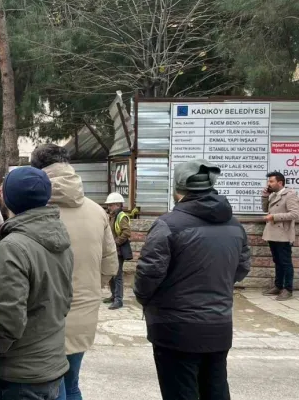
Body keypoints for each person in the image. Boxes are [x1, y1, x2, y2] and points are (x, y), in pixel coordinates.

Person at [135, 159, 251, 400]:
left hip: (175, 329)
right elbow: (241, 268)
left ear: (178, 190)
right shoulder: (234, 225)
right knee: (216, 390)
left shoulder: (168, 225)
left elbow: (148, 275)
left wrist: (144, 298)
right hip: (219, 324)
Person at [0, 166, 74, 400]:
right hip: (51, 364)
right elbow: (65, 301)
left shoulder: (12, 247)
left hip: (22, 373)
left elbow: (9, 319)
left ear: (9, 199)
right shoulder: (60, 237)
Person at [31, 144, 118, 400]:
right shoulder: (97, 211)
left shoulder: (30, 210)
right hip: (84, 311)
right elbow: (110, 265)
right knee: (71, 384)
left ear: (37, 170)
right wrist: (88, 289)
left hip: (43, 315)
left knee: (51, 387)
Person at [261, 171, 299, 301]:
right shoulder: (272, 195)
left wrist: (274, 217)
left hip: (283, 234)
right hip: (272, 233)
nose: (269, 184)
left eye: (271, 181)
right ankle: (278, 286)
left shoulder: (290, 194)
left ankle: (288, 289)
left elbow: (295, 214)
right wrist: (265, 197)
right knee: (277, 261)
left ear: (280, 182)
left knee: (285, 262)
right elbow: (265, 209)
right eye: (268, 181)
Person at [104, 192, 133, 310]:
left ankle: (118, 300)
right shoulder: (112, 216)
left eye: (111, 205)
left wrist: (115, 242)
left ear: (117, 205)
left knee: (117, 275)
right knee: (111, 274)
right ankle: (113, 296)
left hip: (118, 250)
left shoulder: (121, 216)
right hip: (112, 250)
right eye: (109, 205)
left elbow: (127, 232)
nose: (109, 207)